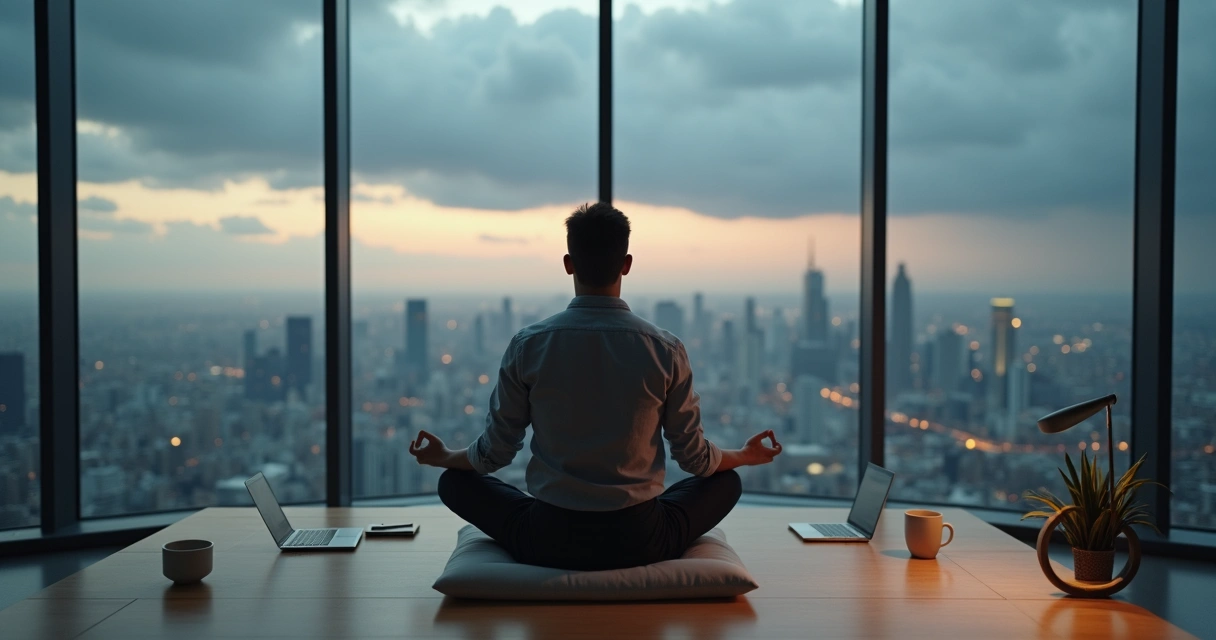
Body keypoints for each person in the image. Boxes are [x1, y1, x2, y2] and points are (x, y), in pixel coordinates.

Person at [408, 202, 782, 571]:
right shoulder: (665, 348)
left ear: (568, 263)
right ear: (627, 264)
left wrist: (445, 457)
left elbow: (494, 455)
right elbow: (696, 461)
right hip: (640, 539)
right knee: (725, 482)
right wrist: (744, 456)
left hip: (547, 537)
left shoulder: (529, 344)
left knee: (454, 484)